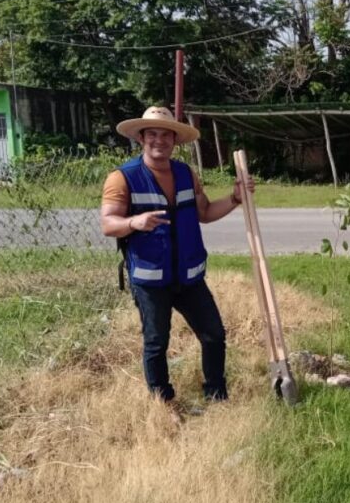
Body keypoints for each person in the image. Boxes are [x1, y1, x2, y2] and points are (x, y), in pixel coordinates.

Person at [100, 106, 251, 403]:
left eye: (165, 135)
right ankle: (163, 401)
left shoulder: (185, 174)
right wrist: (133, 223)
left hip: (189, 276)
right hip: (150, 279)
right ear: (142, 138)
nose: (159, 140)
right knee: (157, 343)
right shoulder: (123, 178)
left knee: (214, 335)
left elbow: (204, 213)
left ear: (174, 140)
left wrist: (235, 199)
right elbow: (108, 224)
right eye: (152, 134)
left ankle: (216, 394)